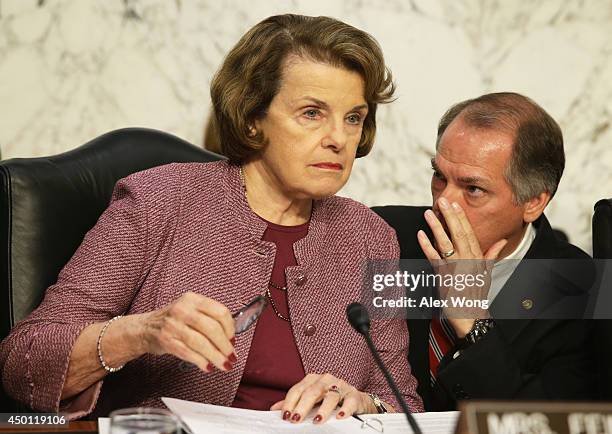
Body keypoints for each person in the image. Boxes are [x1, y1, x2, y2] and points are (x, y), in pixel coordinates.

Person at [0, 14, 423, 421]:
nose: (338, 139)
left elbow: (402, 400)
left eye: (354, 118)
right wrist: (139, 333)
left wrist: (365, 403)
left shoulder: (372, 237)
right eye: (312, 113)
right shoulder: (158, 200)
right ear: (254, 119)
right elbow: (24, 362)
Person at [374, 92, 595, 410]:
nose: (443, 202)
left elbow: (544, 423)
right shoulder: (384, 236)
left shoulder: (580, 287)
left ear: (533, 202)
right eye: (439, 176)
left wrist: (473, 324)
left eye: (473, 189)